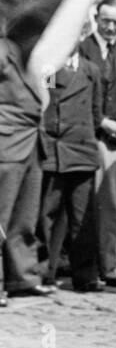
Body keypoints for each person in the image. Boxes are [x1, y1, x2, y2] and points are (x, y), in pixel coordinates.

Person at [38, 25, 103, 293]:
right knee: (45, 216)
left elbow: (97, 113)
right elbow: (44, 105)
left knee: (83, 218)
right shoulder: (48, 69)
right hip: (53, 150)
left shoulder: (91, 70)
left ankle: (85, 275)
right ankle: (42, 272)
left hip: (82, 151)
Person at [80, 0, 116, 288]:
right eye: (106, 21)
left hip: (112, 139)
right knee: (83, 206)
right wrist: (100, 121)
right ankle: (84, 266)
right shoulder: (81, 47)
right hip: (85, 134)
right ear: (96, 18)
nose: (111, 27)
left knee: (111, 204)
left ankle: (111, 266)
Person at [0, 26, 52, 303]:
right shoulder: (2, 49)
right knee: (1, 217)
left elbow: (47, 88)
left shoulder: (36, 53)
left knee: (25, 217)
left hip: (33, 141)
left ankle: (23, 276)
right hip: (6, 141)